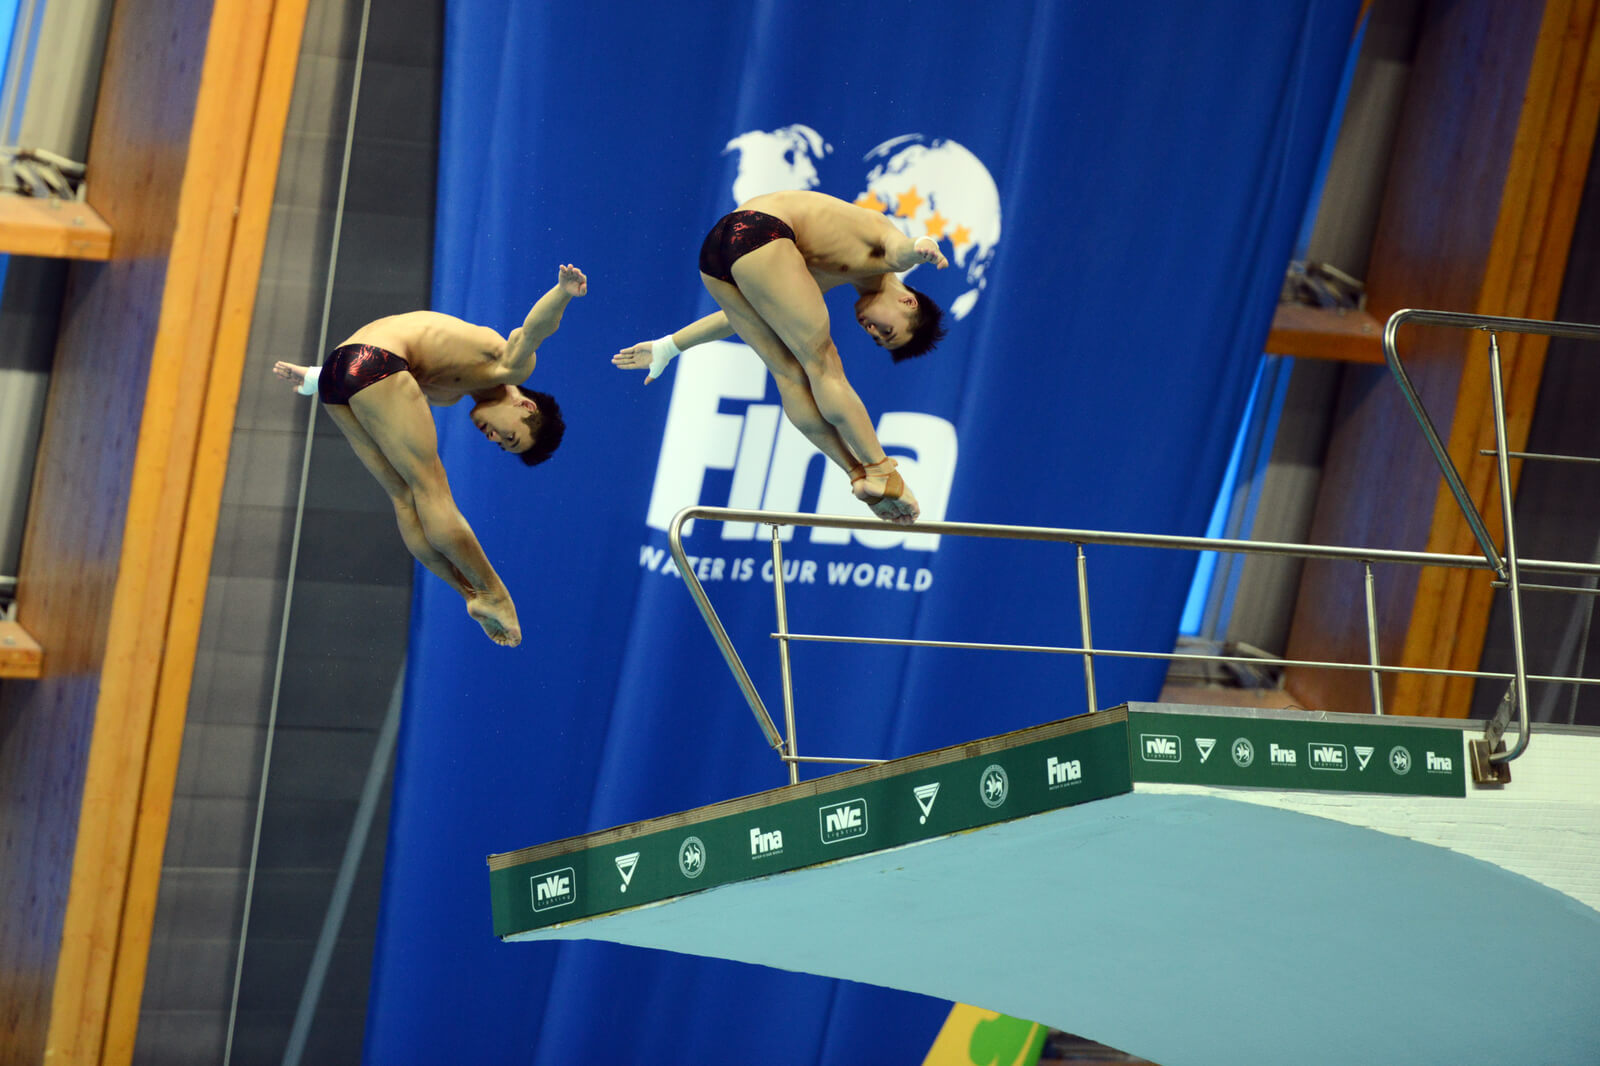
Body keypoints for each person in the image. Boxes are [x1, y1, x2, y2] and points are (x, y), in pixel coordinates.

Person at [272, 264, 587, 647]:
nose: (494, 438)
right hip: (372, 363)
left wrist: (316, 376)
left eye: (502, 446)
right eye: (510, 437)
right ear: (526, 408)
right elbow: (534, 331)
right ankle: (495, 593)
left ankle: (472, 595)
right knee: (430, 489)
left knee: (405, 497)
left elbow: (367, 359)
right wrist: (562, 293)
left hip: (340, 375)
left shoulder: (452, 391)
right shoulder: (510, 365)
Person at [612, 190, 948, 525]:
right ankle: (881, 470)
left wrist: (669, 346)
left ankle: (858, 473)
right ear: (908, 303)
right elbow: (899, 250)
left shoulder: (830, 269)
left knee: (788, 372)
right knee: (822, 362)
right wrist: (921, 248)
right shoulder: (884, 248)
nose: (873, 332)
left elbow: (741, 312)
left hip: (717, 251)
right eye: (887, 332)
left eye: (877, 340)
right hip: (762, 229)